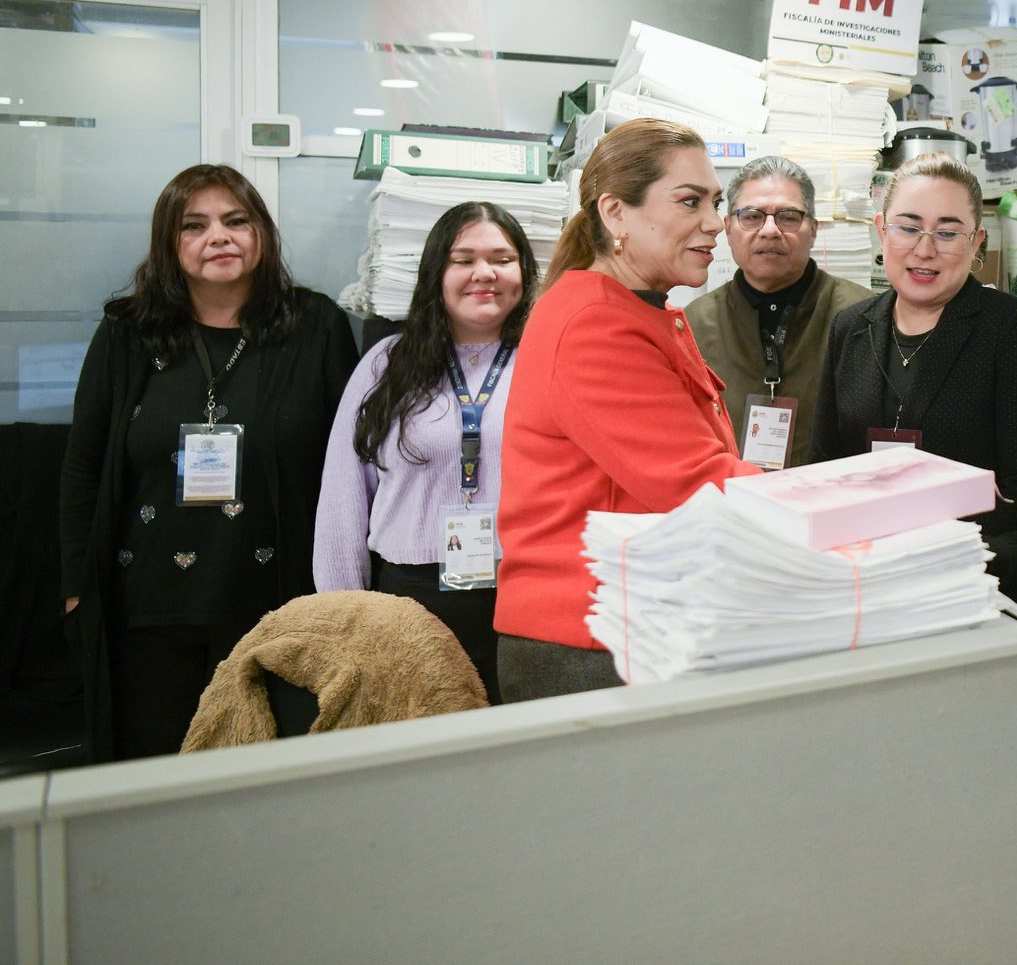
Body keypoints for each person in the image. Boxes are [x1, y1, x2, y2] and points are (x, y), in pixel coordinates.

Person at [58, 163, 358, 761]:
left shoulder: (315, 325)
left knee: (266, 784)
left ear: (262, 234)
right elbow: (83, 465)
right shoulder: (127, 333)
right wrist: (74, 585)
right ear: (170, 245)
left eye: (235, 220)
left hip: (278, 606)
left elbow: (350, 468)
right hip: (146, 605)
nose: (218, 236)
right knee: (155, 780)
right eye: (194, 225)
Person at [494, 119, 757, 701]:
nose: (715, 222)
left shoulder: (637, 306)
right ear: (616, 213)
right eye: (689, 201)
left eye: (714, 201)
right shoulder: (595, 323)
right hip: (590, 645)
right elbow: (697, 482)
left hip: (628, 627)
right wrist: (848, 505)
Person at [810, 153, 1017, 603]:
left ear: (976, 242)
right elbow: (824, 462)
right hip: (857, 576)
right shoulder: (851, 327)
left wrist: (924, 552)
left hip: (965, 577)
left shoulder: (1012, 330)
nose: (925, 250)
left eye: (947, 233)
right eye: (908, 227)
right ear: (881, 229)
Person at [313, 201, 536, 705]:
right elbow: (343, 499)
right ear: (437, 272)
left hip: (520, 598)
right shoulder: (386, 365)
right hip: (409, 600)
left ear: (523, 270)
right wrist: (341, 617)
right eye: (463, 260)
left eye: (502, 258)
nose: (485, 273)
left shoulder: (549, 357)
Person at [684, 156, 869, 469]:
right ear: (728, 229)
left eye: (788, 217)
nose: (770, 231)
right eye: (752, 216)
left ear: (814, 229)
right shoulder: (693, 325)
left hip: (827, 503)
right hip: (729, 503)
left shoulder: (863, 318)